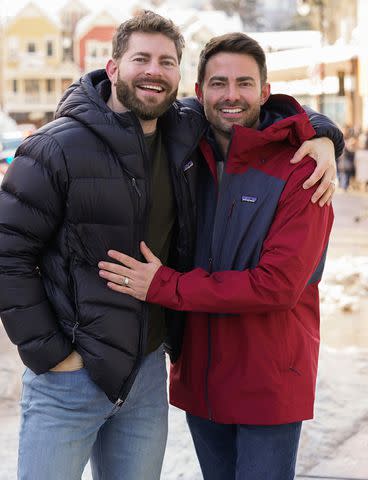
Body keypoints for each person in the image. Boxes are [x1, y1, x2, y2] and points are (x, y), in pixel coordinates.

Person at [0, 11, 341, 480]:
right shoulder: (62, 147)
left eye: (167, 61)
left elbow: (260, 115)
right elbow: (7, 253)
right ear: (114, 67)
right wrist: (50, 353)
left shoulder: (190, 137)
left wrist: (323, 134)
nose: (154, 71)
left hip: (155, 376)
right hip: (72, 377)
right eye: (142, 58)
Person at [99, 32, 335, 480]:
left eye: (245, 84)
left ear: (266, 92)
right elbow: (122, 97)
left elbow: (277, 286)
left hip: (268, 382)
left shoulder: (304, 169)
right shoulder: (185, 154)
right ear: (198, 92)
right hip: (202, 378)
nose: (231, 96)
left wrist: (164, 285)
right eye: (218, 83)